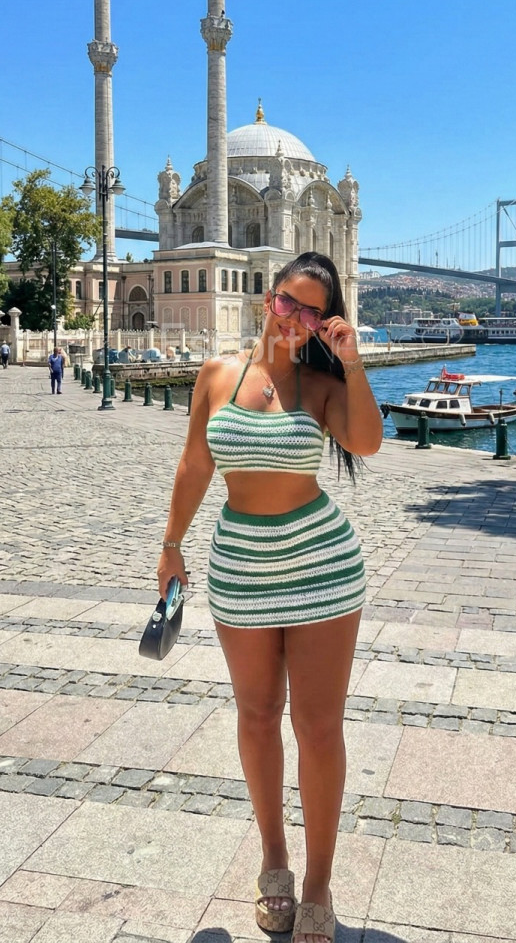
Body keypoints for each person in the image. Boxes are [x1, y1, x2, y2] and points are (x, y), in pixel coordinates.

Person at [156, 253, 382, 943]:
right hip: (241, 570)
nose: (296, 319)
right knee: (256, 717)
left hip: (321, 569)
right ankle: (274, 862)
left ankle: (318, 882)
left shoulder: (323, 385)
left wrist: (351, 362)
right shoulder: (217, 375)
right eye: (289, 302)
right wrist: (171, 544)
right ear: (267, 299)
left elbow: (367, 441)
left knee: (318, 727)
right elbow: (196, 463)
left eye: (314, 312)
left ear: (325, 322)